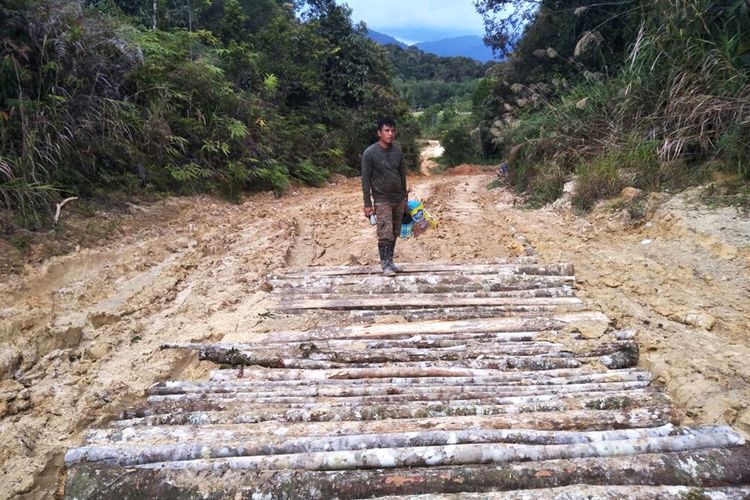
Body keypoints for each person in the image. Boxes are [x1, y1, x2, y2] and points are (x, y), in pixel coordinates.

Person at [361, 117, 407, 277]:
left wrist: (405, 198)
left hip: (398, 198)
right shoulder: (370, 153)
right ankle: (384, 264)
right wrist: (367, 204)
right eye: (387, 130)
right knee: (384, 232)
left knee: (394, 231)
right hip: (381, 199)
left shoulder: (397, 151)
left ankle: (391, 262)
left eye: (393, 130)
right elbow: (365, 180)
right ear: (379, 133)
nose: (390, 134)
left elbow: (402, 176)